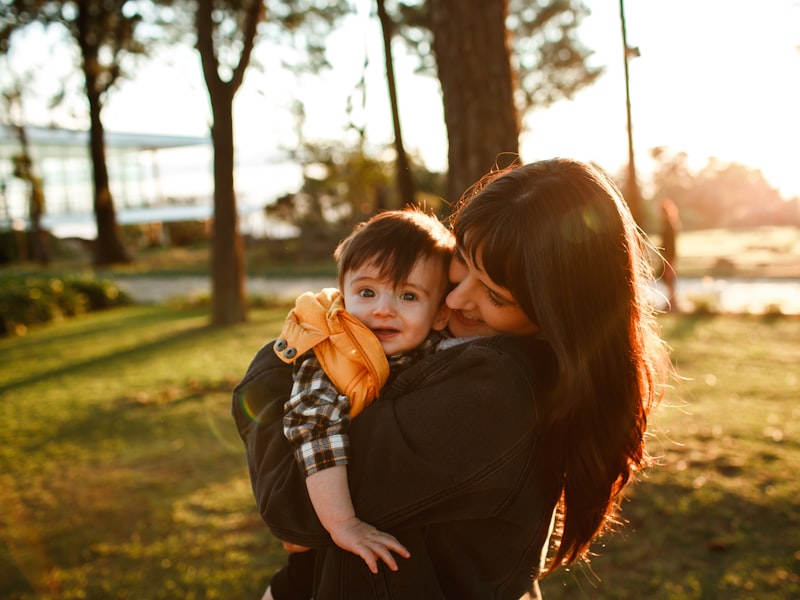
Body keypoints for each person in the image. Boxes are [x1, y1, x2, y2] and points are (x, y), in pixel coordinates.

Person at [233, 158, 671, 599]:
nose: (457, 298)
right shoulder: (449, 342)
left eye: (495, 294)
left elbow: (291, 505)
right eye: (462, 261)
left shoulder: (496, 393)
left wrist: (277, 365)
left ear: (556, 313)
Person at [267, 208, 454, 598]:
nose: (383, 308)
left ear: (440, 314)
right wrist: (342, 523)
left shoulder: (440, 353)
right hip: (322, 541)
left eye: (408, 295)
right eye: (367, 292)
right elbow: (313, 429)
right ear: (342, 295)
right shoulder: (333, 356)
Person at [659, 197, 681, 311]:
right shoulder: (667, 225)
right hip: (667, 257)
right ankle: (672, 301)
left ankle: (673, 302)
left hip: (668, 257)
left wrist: (670, 260)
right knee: (665, 278)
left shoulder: (669, 226)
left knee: (668, 278)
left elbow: (670, 245)